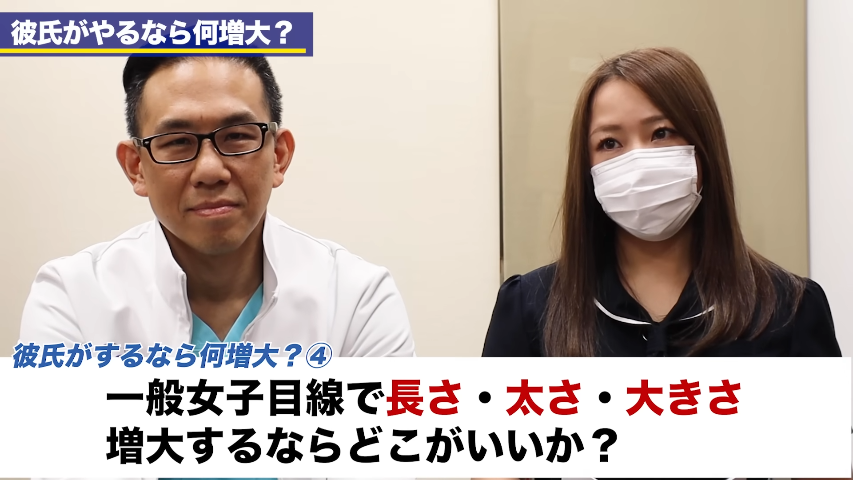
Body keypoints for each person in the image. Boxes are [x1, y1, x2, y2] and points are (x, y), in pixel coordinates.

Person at [479, 47, 843, 480]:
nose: (637, 163)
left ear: (702, 147)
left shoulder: (790, 308)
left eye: (661, 133)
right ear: (587, 166)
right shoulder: (529, 307)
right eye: (609, 143)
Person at [19, 55, 416, 362]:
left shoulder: (356, 298)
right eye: (177, 141)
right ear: (136, 167)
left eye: (238, 136)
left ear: (278, 156)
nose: (210, 170)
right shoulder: (72, 297)